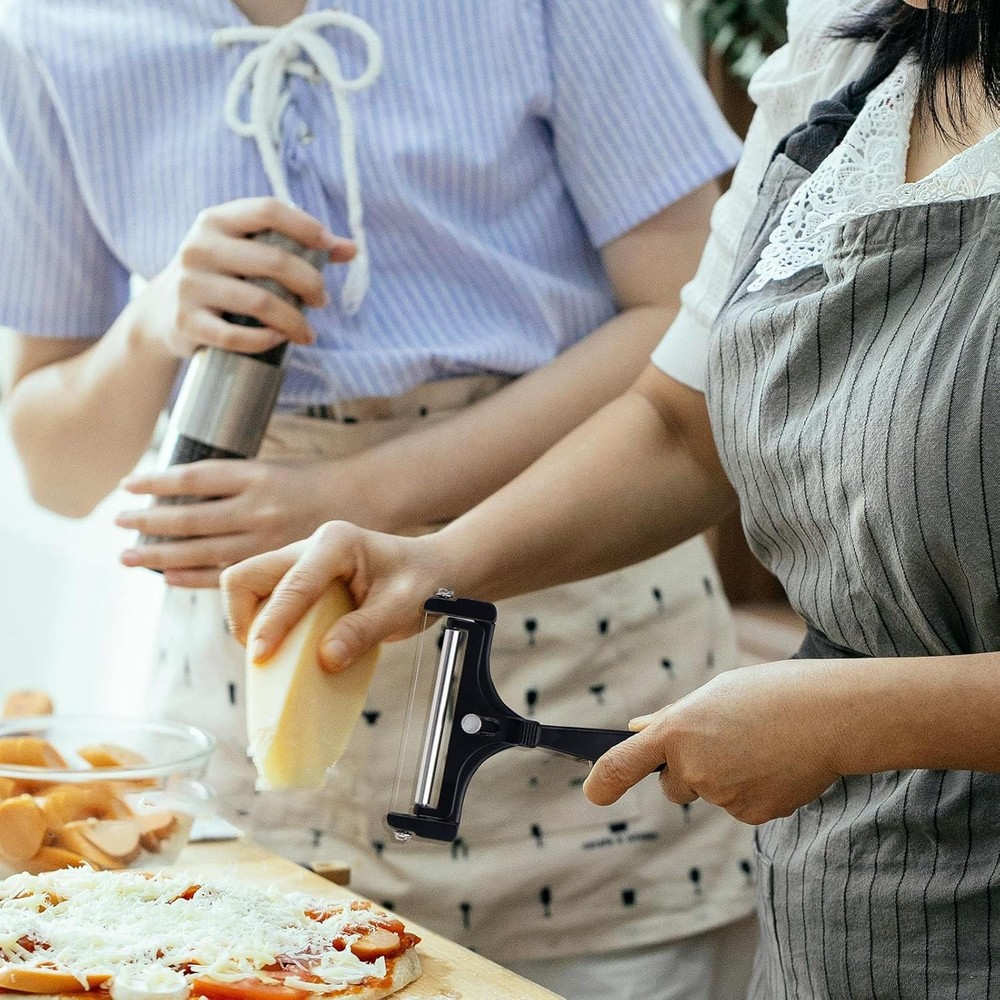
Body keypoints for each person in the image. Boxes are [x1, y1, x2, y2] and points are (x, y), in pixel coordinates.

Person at [222, 0, 1000, 995]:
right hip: (838, 915)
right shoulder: (849, 65)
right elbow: (682, 425)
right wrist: (434, 560)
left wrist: (854, 721)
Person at [0, 2, 761, 996]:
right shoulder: (50, 28)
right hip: (250, 714)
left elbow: (687, 319)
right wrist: (151, 323)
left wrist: (352, 494)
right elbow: (55, 471)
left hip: (571, 653)